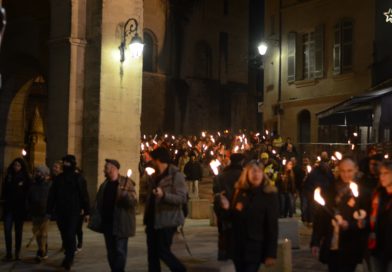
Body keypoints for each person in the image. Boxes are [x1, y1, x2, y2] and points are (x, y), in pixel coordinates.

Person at [220, 161, 279, 272]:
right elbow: (231, 218)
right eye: (253, 171)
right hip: (238, 247)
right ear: (246, 174)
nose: (256, 174)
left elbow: (272, 226)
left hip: (255, 247)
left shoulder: (269, 195)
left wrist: (271, 253)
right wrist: (226, 207)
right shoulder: (239, 192)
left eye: (258, 171)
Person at [311, 157, 366, 272]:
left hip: (351, 244)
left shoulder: (362, 192)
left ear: (356, 169)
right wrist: (315, 241)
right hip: (333, 243)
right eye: (343, 170)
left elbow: (365, 219)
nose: (346, 174)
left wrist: (350, 225)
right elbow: (321, 218)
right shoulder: (330, 189)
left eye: (349, 170)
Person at [144, 147, 188, 272]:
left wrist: (164, 195)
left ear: (158, 160)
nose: (150, 162)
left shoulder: (176, 175)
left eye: (152, 159)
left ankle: (180, 269)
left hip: (167, 221)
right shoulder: (154, 176)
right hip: (152, 220)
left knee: (162, 251)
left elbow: (182, 198)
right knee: (152, 255)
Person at [92, 159, 137, 272]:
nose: (104, 170)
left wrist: (125, 194)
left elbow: (133, 202)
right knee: (111, 252)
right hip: (108, 224)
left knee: (120, 251)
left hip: (121, 223)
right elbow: (99, 202)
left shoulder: (127, 183)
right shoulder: (104, 185)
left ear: (113, 169)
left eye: (106, 168)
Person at [47, 155, 90, 270]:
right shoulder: (59, 178)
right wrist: (49, 210)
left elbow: (84, 195)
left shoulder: (78, 178)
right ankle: (68, 252)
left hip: (74, 212)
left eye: (67, 162)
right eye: (64, 162)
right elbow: (52, 195)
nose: (65, 164)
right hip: (61, 211)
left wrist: (87, 211)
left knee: (70, 234)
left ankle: (69, 258)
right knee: (64, 234)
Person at [213, 153, 244, 261]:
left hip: (223, 208)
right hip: (238, 208)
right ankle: (234, 253)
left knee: (223, 232)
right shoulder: (243, 175)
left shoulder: (221, 175)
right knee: (237, 232)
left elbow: (216, 191)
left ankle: (223, 253)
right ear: (241, 162)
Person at [1, 158, 31, 261]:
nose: (16, 167)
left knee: (18, 231)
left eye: (18, 165)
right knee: (7, 230)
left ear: (22, 166)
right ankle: (9, 252)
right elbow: (4, 190)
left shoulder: (25, 177)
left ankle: (17, 252)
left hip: (19, 208)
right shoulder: (9, 176)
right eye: (15, 165)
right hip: (8, 207)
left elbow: (28, 193)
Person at [368, 160, 392, 272]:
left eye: (386, 173)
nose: (382, 176)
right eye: (381, 173)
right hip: (376, 247)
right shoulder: (377, 194)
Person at [27, 165, 51, 262]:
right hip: (35, 213)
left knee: (43, 234)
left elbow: (51, 199)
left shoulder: (49, 185)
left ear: (44, 174)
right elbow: (28, 198)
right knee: (37, 234)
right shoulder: (32, 185)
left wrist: (50, 212)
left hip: (45, 213)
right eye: (36, 172)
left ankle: (42, 251)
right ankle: (41, 249)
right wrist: (29, 210)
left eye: (39, 172)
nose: (37, 173)